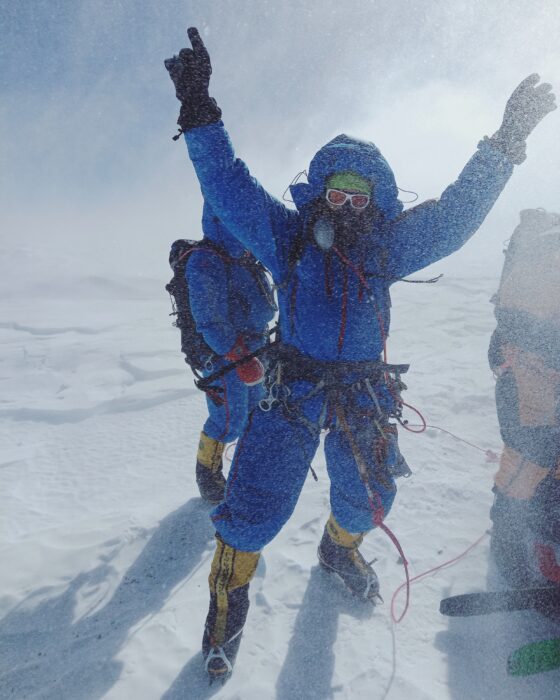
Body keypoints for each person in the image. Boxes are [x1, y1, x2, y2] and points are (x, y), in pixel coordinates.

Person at [165, 27, 556, 681]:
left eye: (360, 196)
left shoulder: (387, 248)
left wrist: (504, 144)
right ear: (317, 195)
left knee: (367, 496)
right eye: (335, 194)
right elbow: (230, 186)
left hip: (364, 391)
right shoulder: (287, 238)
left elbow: (456, 216)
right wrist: (200, 112)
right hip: (291, 386)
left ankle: (338, 549)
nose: (346, 208)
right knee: (254, 503)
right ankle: (227, 601)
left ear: (376, 201)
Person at [179, 203, 276, 503]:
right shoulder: (206, 260)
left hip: (255, 349)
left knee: (253, 415)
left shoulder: (247, 257)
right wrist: (237, 356)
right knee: (228, 420)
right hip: (223, 357)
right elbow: (208, 318)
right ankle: (207, 476)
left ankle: (245, 472)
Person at [488, 208, 560, 588]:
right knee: (532, 452)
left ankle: (546, 511)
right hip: (528, 379)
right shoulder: (545, 255)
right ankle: (507, 531)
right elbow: (514, 317)